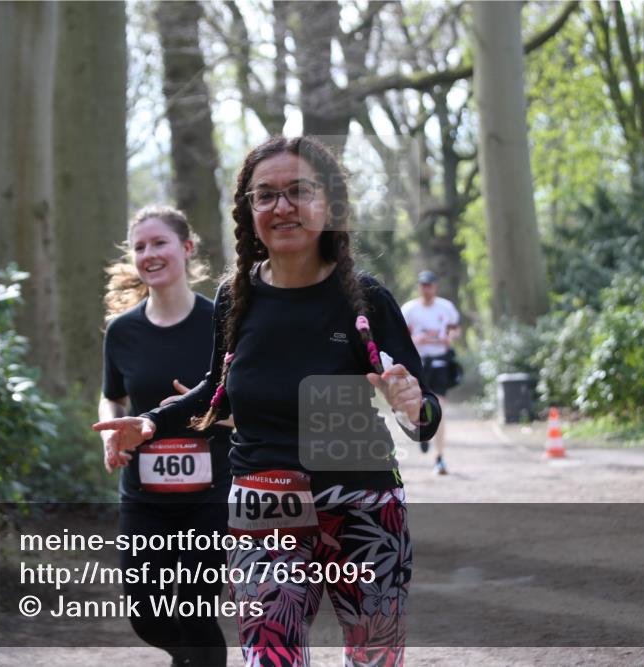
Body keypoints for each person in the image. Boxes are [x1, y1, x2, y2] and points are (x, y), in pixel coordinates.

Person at [94, 136, 442, 667]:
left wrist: (413, 405)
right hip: (265, 503)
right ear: (248, 211)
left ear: (328, 204)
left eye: (298, 191)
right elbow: (216, 388)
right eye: (265, 195)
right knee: (270, 659)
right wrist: (149, 424)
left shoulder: (364, 298)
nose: (282, 207)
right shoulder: (238, 298)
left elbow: (422, 412)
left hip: (361, 507)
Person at [98, 205, 231, 667]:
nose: (149, 254)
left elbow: (247, 398)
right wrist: (110, 435)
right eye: (139, 247)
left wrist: (203, 409)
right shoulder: (122, 331)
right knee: (146, 615)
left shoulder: (223, 324)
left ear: (186, 248)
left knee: (196, 611)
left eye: (159, 243)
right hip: (143, 495)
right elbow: (111, 397)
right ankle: (190, 659)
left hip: (210, 495)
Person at [401, 270, 460, 475]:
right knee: (415, 406)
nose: (426, 289)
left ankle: (439, 457)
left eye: (430, 285)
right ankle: (420, 430)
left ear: (435, 287)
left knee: (439, 409)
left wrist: (449, 337)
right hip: (417, 364)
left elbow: (454, 329)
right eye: (423, 285)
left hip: (440, 363)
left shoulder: (446, 307)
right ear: (419, 287)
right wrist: (414, 341)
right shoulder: (409, 310)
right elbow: (399, 337)